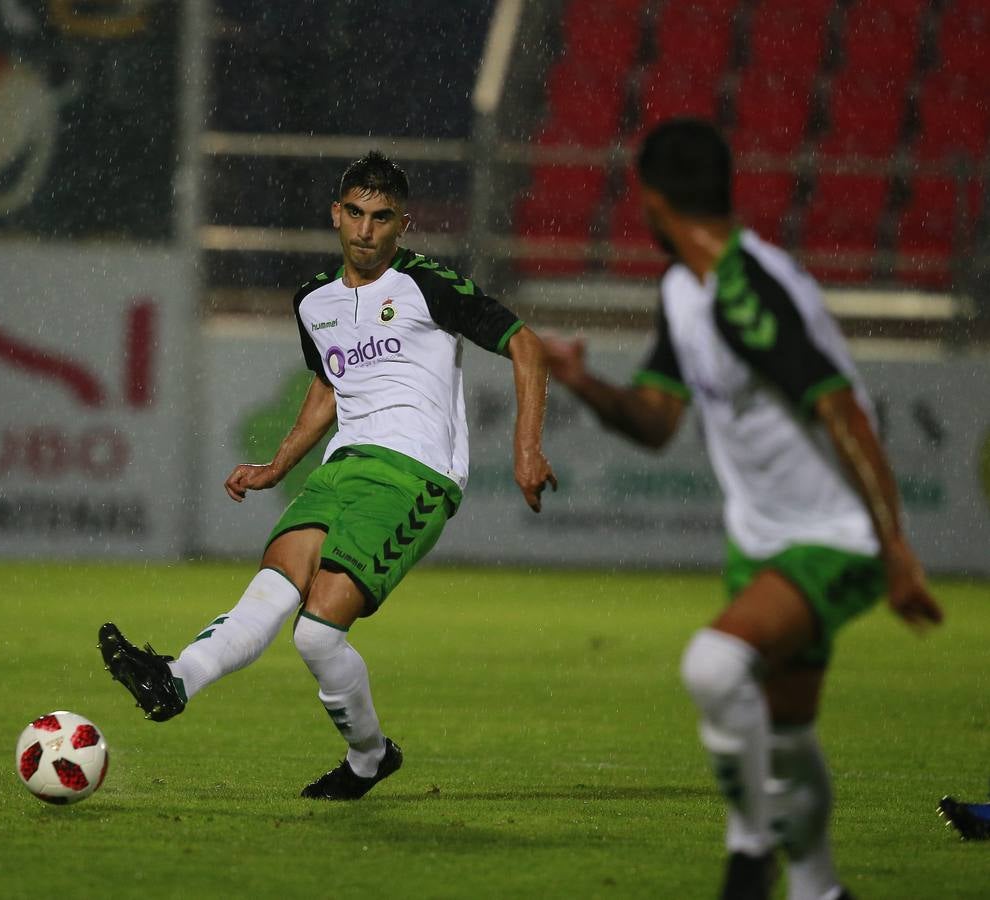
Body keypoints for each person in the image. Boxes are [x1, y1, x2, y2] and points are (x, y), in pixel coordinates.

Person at [540, 119, 944, 899]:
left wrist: (894, 548)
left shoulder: (744, 291)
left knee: (714, 666)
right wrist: (584, 381)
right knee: (787, 739)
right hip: (765, 539)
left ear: (651, 199)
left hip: (836, 535)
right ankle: (821, 891)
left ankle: (749, 854)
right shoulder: (685, 289)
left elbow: (845, 415)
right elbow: (658, 422)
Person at [98, 150, 558, 800]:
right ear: (335, 214)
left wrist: (527, 448)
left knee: (316, 634)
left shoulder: (427, 285)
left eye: (382, 217)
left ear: (404, 224)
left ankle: (367, 758)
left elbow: (525, 344)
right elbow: (328, 382)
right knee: (270, 592)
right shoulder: (314, 300)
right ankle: (176, 679)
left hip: (414, 476)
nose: (366, 231)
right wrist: (279, 463)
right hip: (342, 468)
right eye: (356, 214)